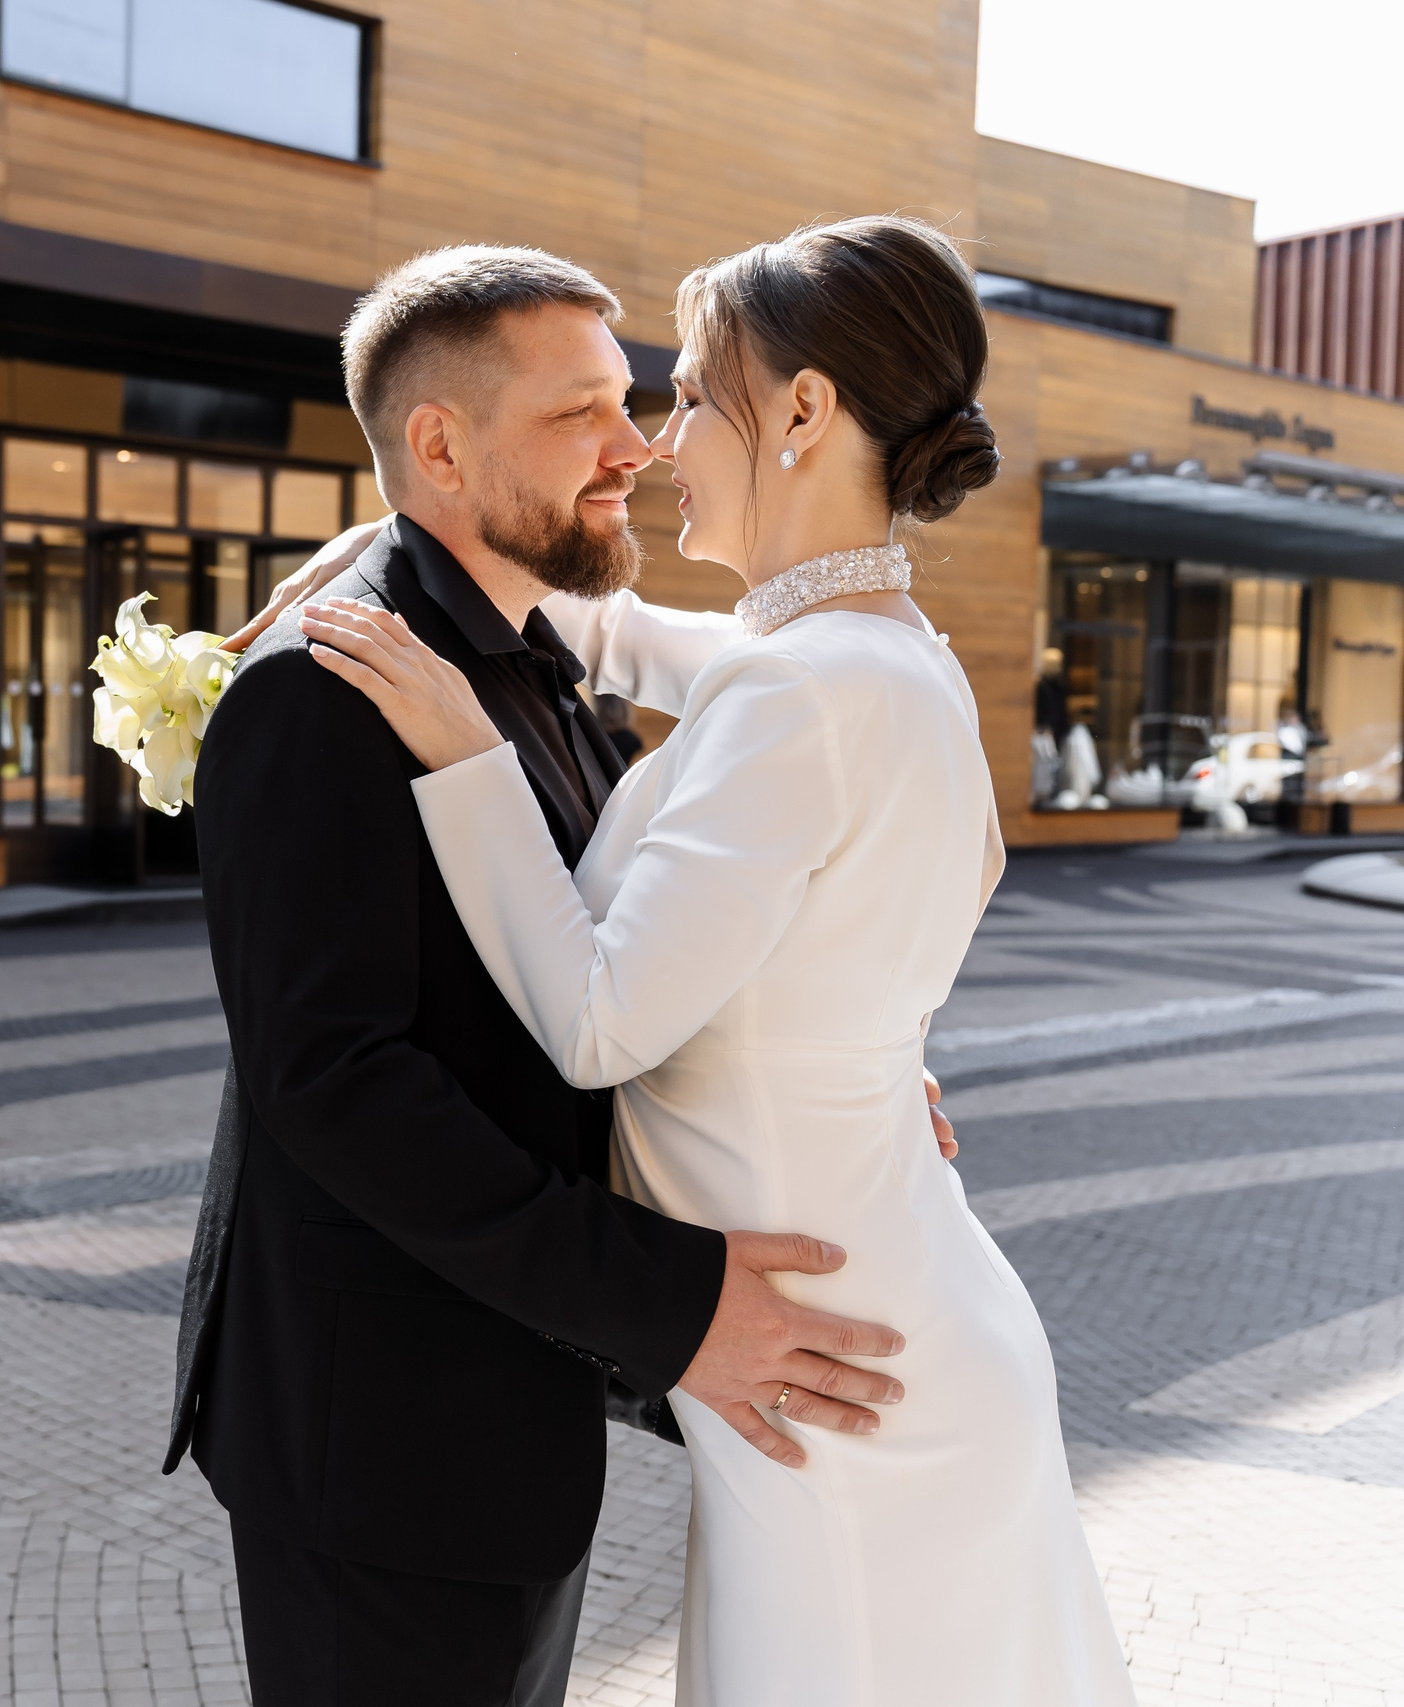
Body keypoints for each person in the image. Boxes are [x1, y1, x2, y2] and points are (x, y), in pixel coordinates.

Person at [291, 218, 1133, 1704]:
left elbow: (599, 1021)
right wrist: (395, 546)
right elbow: (623, 636)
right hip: (883, 1327)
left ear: (803, 411)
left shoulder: (802, 692)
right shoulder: (888, 658)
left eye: (688, 394)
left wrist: (468, 758)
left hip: (839, 1381)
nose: (660, 441)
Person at [170, 244, 960, 1707]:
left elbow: (629, 959)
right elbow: (336, 1087)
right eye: (578, 413)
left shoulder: (545, 674)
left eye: (637, 402)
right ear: (440, 446)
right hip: (381, 1449)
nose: (633, 449)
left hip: (511, 1431)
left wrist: (824, 1045)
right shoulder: (316, 699)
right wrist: (673, 1305)